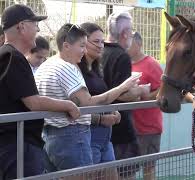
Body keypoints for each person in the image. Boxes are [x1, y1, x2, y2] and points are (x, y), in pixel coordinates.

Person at [35, 23, 139, 172]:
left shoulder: (47, 65)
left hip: (52, 136)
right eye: (82, 46)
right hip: (70, 137)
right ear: (66, 46)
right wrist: (123, 87)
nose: (84, 51)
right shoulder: (66, 67)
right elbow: (88, 103)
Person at [0, 5, 80, 179]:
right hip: (17, 145)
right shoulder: (13, 57)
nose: (38, 28)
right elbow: (33, 102)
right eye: (34, 23)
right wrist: (68, 104)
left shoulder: (6, 54)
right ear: (21, 27)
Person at [102, 12, 145, 179]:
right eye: (131, 31)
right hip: (120, 132)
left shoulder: (99, 52)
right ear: (125, 33)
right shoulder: (121, 56)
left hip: (101, 129)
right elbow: (122, 94)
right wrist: (141, 90)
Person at [78, 22, 120, 179]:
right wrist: (102, 118)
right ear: (83, 42)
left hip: (105, 139)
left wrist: (112, 111)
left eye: (102, 41)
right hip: (89, 138)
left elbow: (102, 99)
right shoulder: (75, 71)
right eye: (96, 41)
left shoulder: (96, 69)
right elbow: (78, 109)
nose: (101, 45)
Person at [128, 32, 163, 180]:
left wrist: (143, 96)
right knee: (128, 170)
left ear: (139, 44)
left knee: (148, 168)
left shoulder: (151, 64)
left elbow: (163, 89)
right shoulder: (124, 63)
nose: (126, 45)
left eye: (130, 42)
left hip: (149, 128)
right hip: (129, 127)